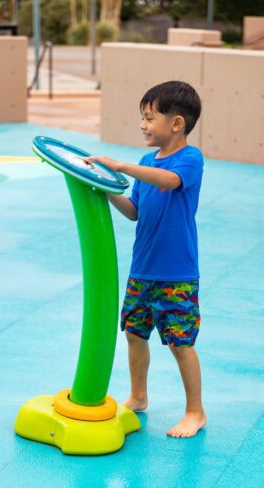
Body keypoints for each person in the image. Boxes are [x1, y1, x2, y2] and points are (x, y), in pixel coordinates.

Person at [85, 80, 207, 438]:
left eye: (149, 117)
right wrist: (106, 190)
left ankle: (195, 412)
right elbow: (134, 211)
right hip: (143, 270)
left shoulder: (189, 159)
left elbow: (169, 182)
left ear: (176, 123)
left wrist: (120, 167)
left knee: (180, 343)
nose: (143, 125)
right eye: (142, 117)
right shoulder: (144, 161)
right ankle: (138, 396)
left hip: (177, 274)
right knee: (135, 335)